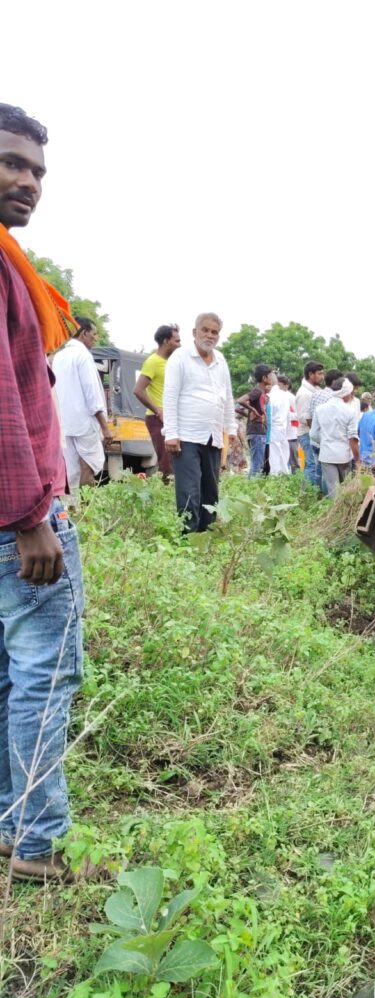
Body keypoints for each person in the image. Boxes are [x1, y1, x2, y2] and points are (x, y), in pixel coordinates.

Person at [0, 103, 95, 882]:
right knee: (45, 668)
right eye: (11, 163)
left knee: (11, 667)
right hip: (19, 517)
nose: (27, 182)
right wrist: (32, 517)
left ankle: (10, 822)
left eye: (36, 171)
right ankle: (37, 842)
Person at [163, 313, 236, 533]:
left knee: (211, 491)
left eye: (214, 332)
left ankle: (206, 535)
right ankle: (187, 538)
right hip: (186, 436)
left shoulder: (220, 360)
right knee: (189, 491)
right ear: (194, 332)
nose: (209, 335)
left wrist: (230, 427)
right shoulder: (181, 357)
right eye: (205, 330)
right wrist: (171, 433)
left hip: (212, 436)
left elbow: (228, 396)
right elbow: (170, 395)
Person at [53, 316, 114, 490]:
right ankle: (87, 513)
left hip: (65, 423)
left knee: (70, 470)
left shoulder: (59, 356)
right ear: (84, 333)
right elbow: (92, 395)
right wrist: (105, 427)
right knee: (88, 467)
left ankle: (71, 510)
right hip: (84, 423)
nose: (95, 338)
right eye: (93, 334)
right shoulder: (83, 356)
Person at [133, 323, 181, 480]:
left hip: (173, 418)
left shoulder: (173, 363)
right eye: (176, 341)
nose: (179, 344)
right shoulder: (153, 361)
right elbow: (138, 390)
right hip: (158, 419)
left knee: (178, 462)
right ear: (166, 341)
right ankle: (167, 499)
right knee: (167, 464)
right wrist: (158, 410)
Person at [309, 377, 360, 497]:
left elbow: (313, 434)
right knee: (346, 491)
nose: (351, 396)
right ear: (346, 393)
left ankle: (333, 514)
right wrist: (357, 459)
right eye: (351, 393)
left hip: (326, 455)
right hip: (344, 455)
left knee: (333, 492)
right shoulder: (350, 411)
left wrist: (326, 442)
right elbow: (352, 438)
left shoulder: (320, 409)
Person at [236, 363, 271, 478]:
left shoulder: (262, 393)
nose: (272, 378)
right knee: (257, 465)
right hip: (257, 431)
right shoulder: (257, 391)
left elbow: (238, 409)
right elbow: (240, 401)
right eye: (270, 375)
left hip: (258, 431)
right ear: (264, 378)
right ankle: (252, 489)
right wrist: (253, 411)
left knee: (258, 464)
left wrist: (250, 413)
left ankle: (253, 488)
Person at [295, 360, 324, 486]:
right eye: (319, 373)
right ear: (311, 374)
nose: (322, 377)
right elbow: (303, 417)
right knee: (311, 464)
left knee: (315, 464)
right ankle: (307, 493)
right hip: (307, 433)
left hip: (312, 433)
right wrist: (316, 431)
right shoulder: (304, 394)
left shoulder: (315, 390)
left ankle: (313, 491)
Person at [266, 372, 291, 475]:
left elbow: (269, 417)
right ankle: (286, 476)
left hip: (274, 429)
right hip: (283, 428)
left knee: (275, 457)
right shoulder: (285, 395)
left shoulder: (270, 396)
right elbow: (288, 415)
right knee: (284, 456)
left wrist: (267, 434)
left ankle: (275, 479)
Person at [277, 375, 300, 472]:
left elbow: (298, 414)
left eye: (280, 385)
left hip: (291, 434)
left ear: (286, 386)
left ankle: (296, 480)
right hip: (280, 434)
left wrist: (285, 415)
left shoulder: (291, 398)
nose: (278, 388)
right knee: (281, 460)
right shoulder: (276, 397)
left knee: (293, 460)